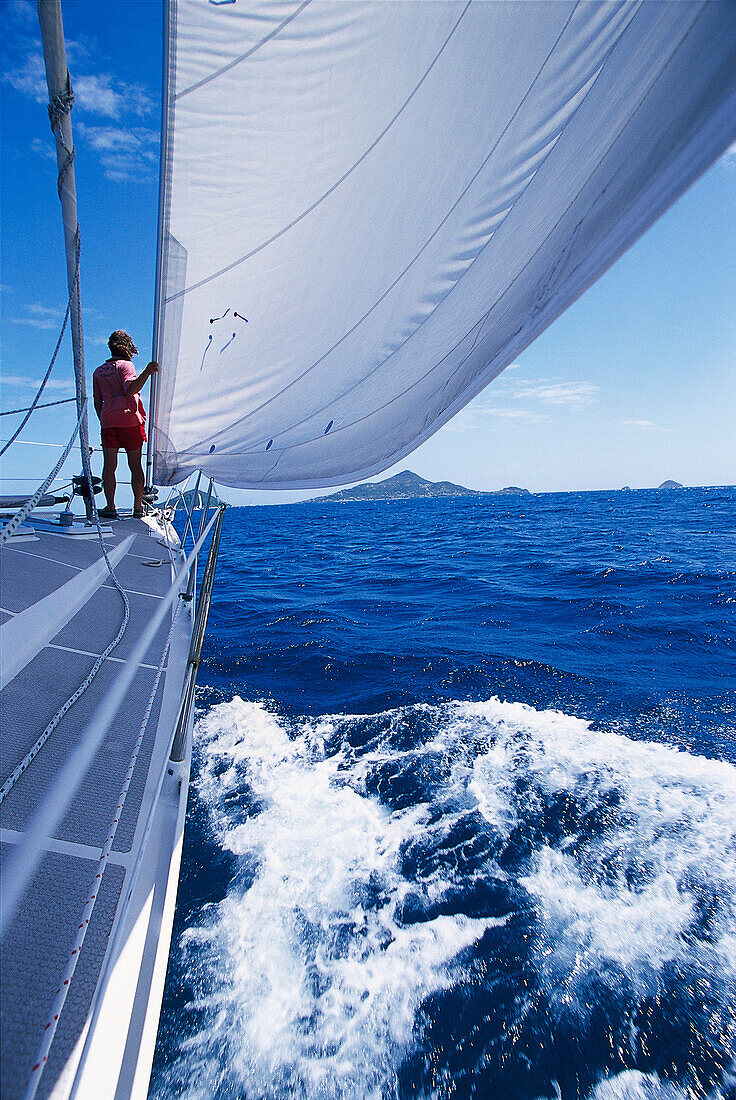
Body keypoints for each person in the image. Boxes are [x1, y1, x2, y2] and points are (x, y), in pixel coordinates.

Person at [92, 331, 158, 519]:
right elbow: (130, 389)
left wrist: (104, 418)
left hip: (108, 422)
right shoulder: (126, 366)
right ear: (127, 346)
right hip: (129, 421)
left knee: (109, 466)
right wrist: (147, 372)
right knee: (135, 465)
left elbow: (97, 401)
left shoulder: (98, 371)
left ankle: (110, 506)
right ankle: (138, 507)